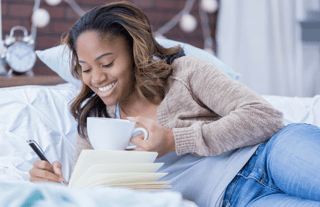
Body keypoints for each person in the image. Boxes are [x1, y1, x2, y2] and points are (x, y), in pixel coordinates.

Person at [29, 2, 320, 207]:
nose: (96, 78)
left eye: (106, 63)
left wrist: (175, 140)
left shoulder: (186, 73)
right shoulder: (95, 123)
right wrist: (59, 190)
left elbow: (265, 117)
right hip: (234, 200)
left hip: (271, 154)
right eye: (85, 68)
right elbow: (95, 195)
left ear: (134, 52)